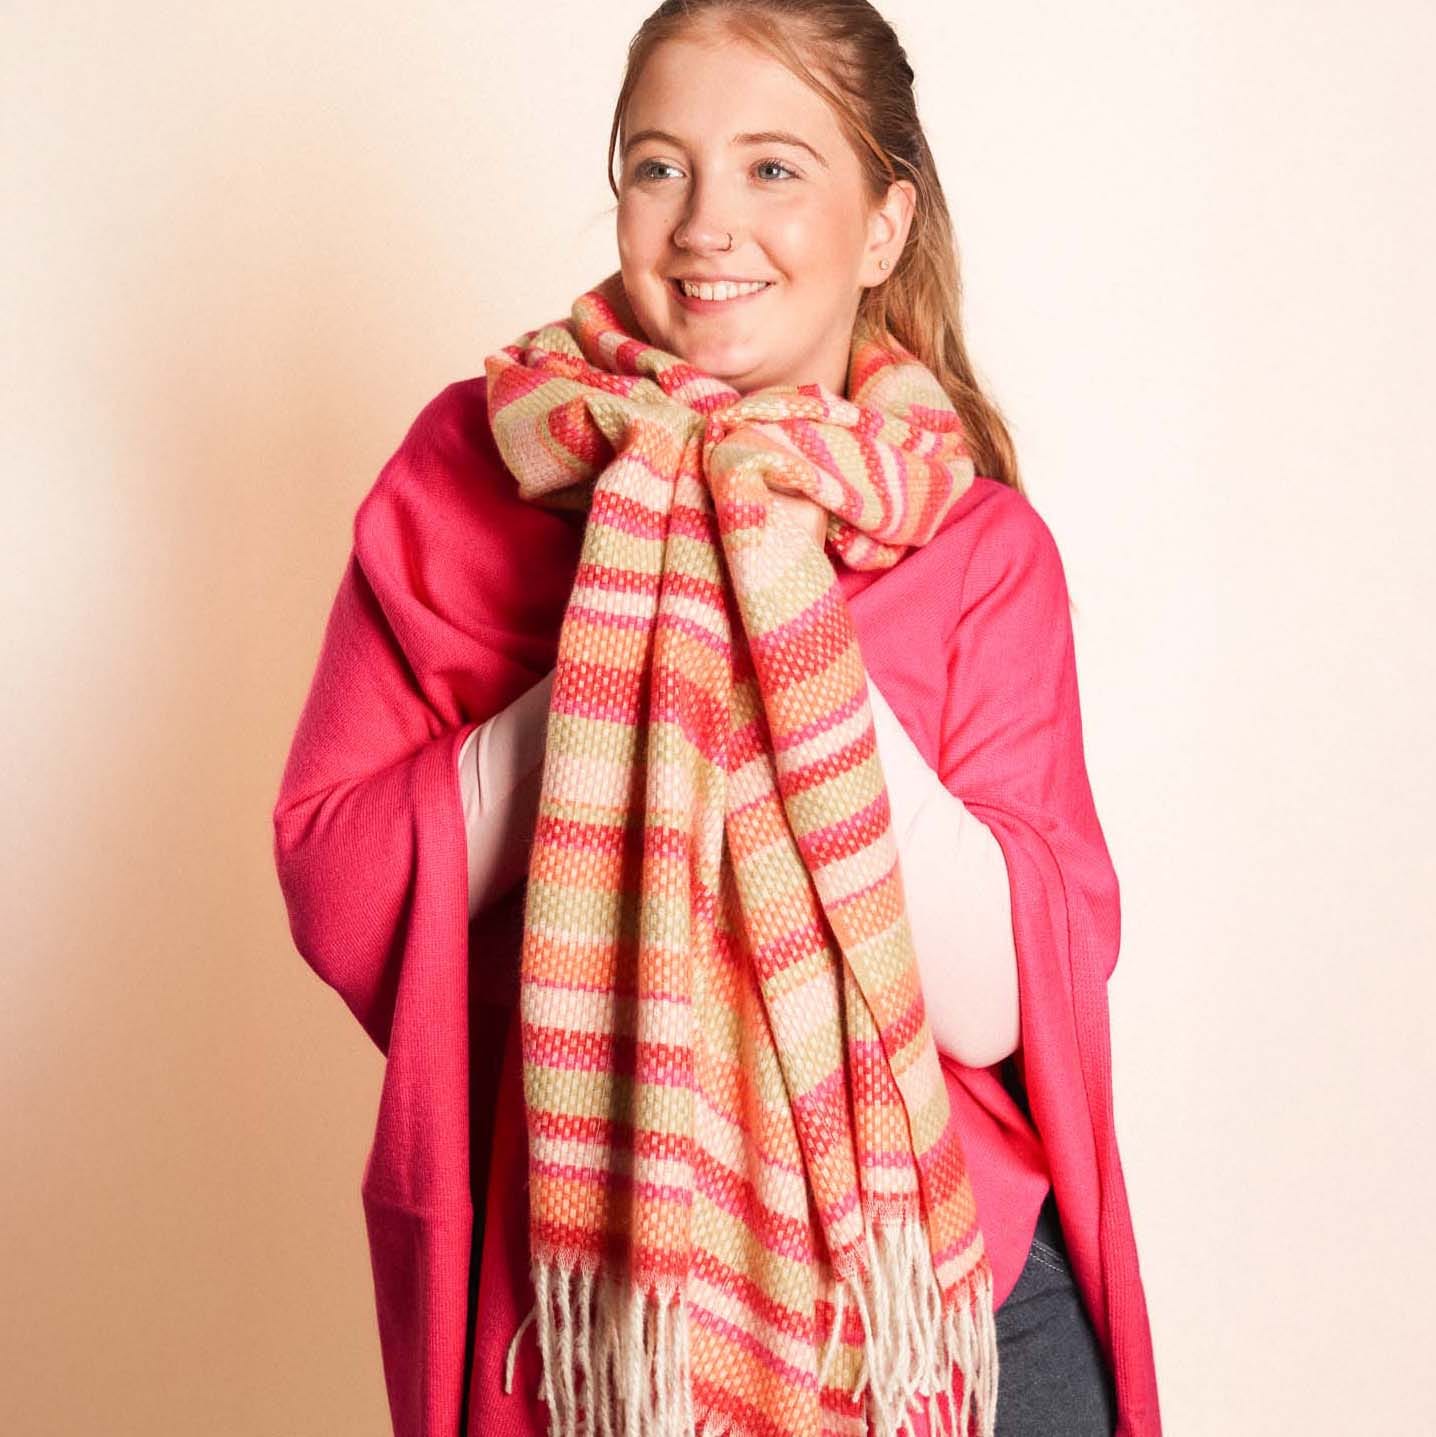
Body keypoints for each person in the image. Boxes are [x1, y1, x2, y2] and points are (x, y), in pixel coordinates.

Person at [271, 3, 1163, 1435]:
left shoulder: (980, 548)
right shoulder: (464, 470)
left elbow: (1007, 1000)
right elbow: (343, 880)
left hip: (942, 1321)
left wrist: (779, 620)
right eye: (659, 166)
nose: (705, 223)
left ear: (883, 226)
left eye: (772, 169)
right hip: (604, 1326)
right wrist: (632, 657)